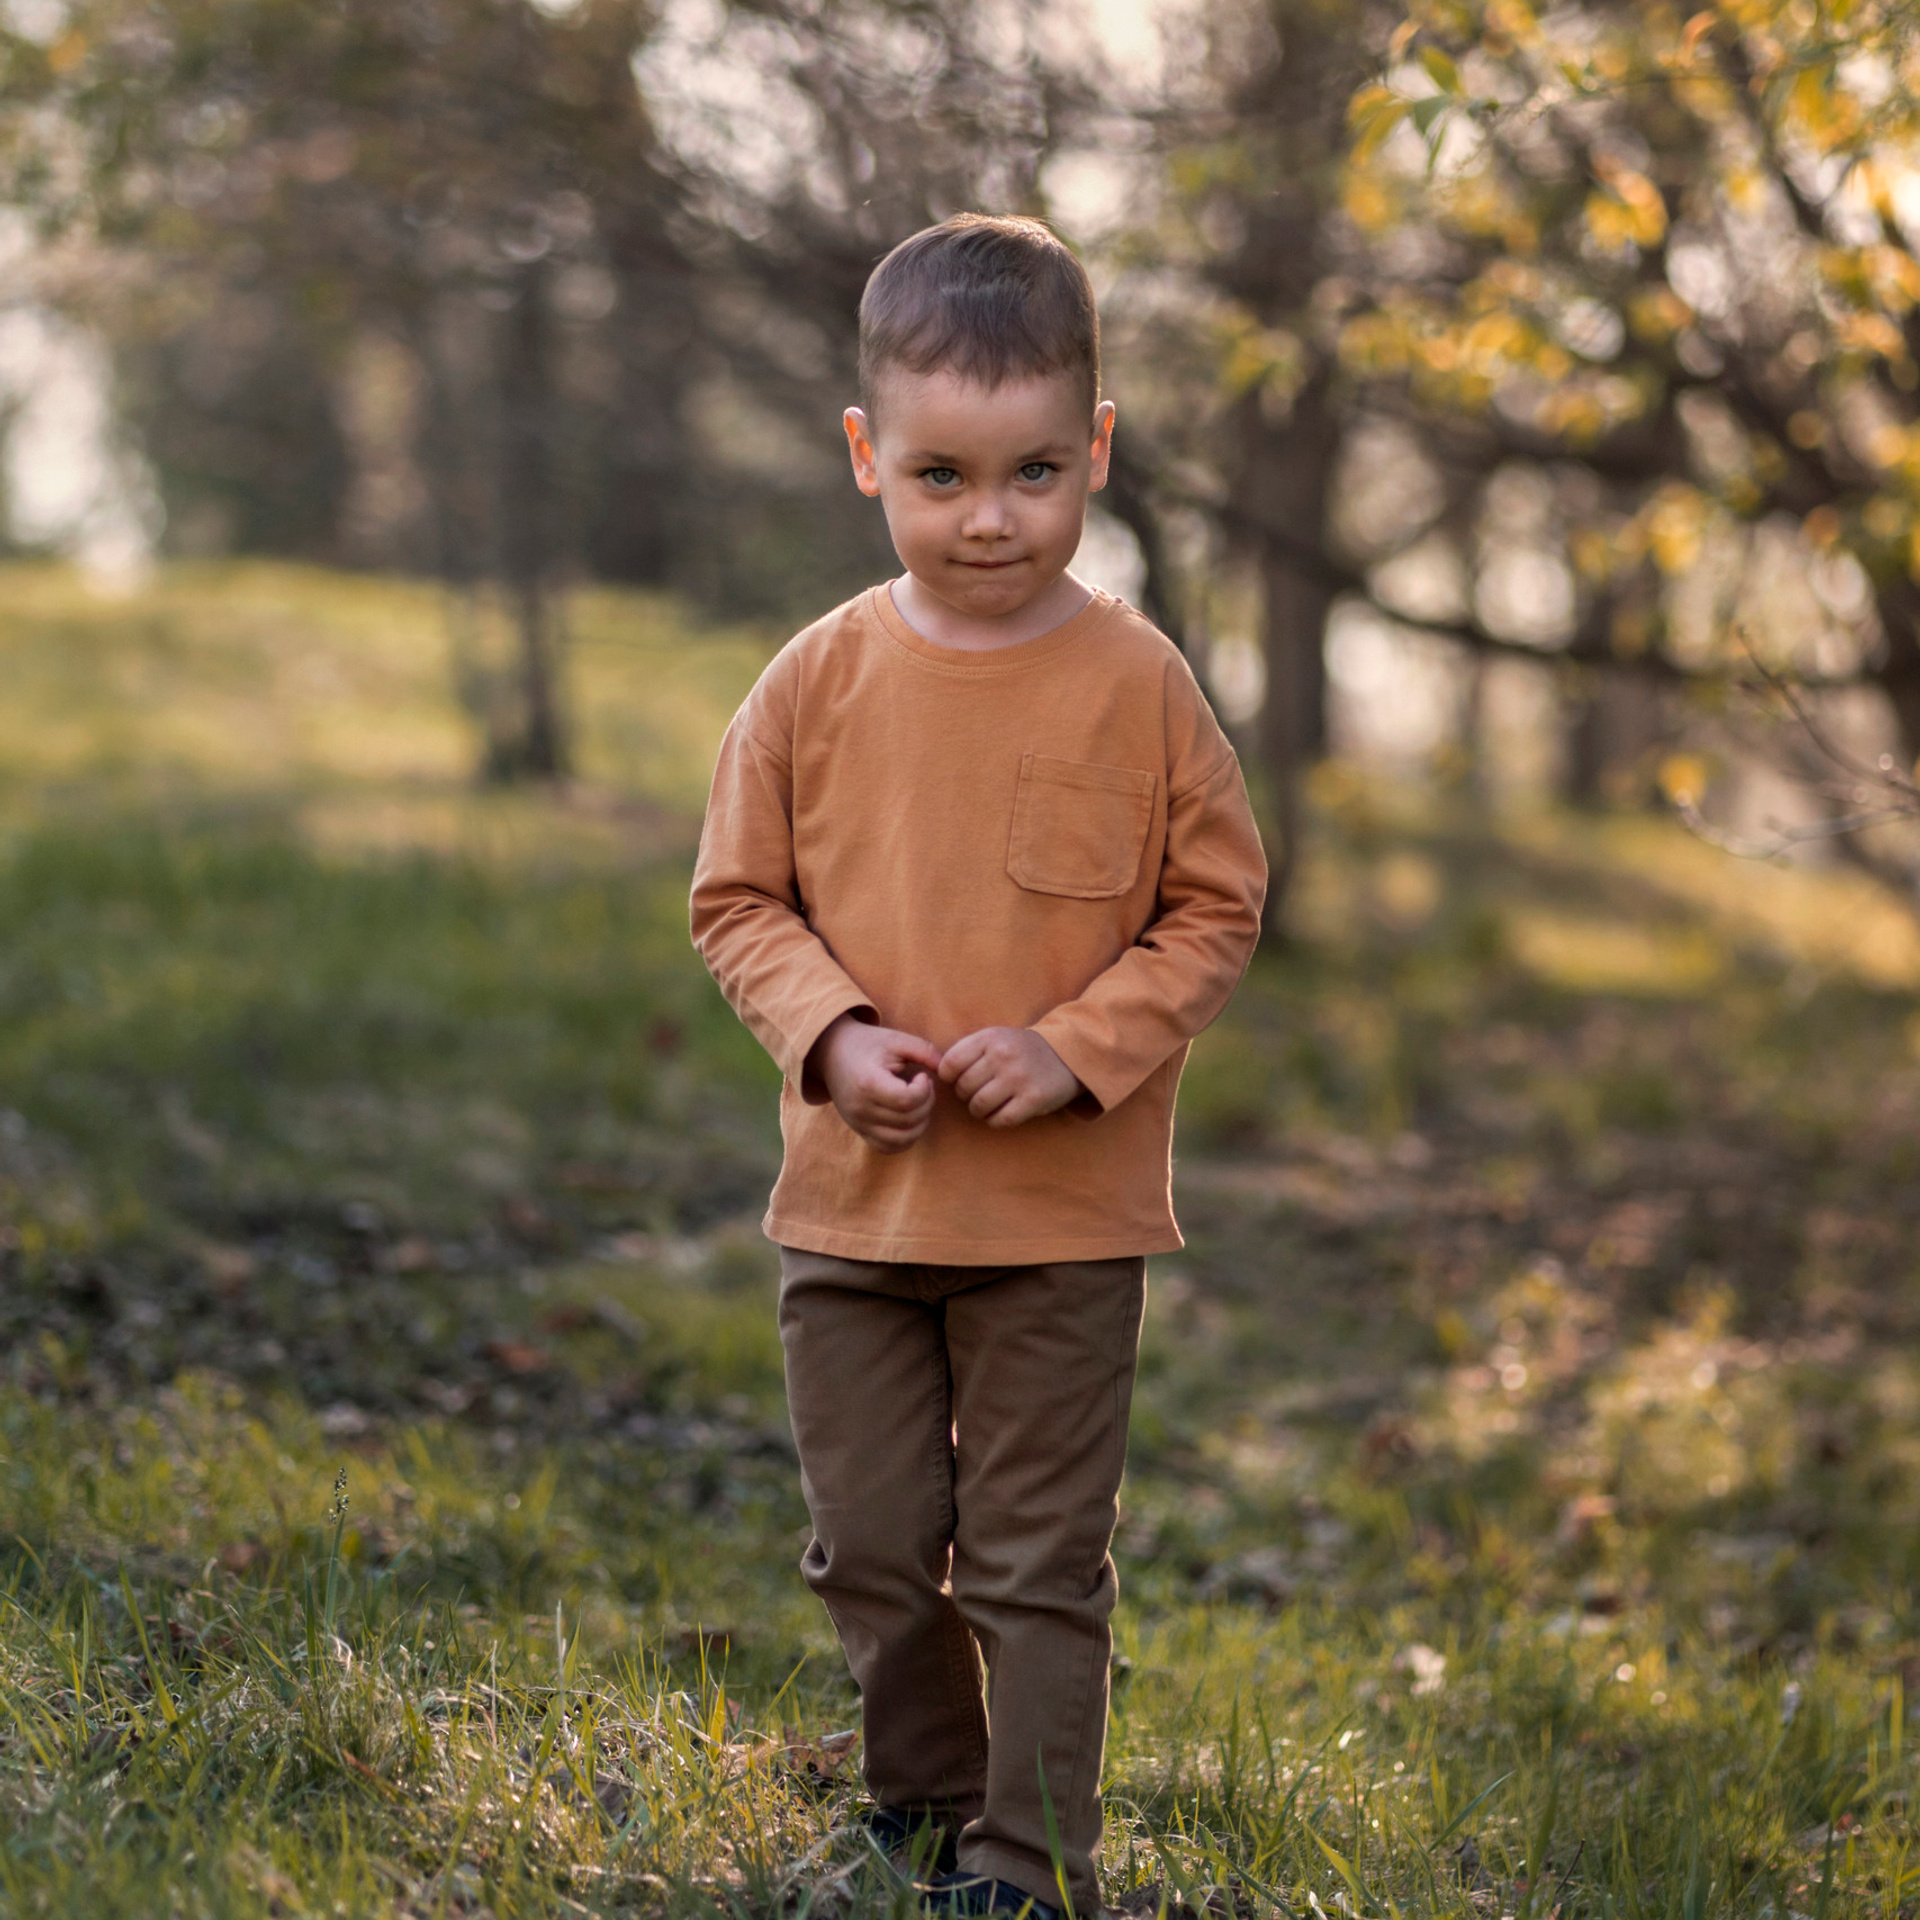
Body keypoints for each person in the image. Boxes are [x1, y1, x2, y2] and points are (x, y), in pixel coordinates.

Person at [689, 213, 1267, 1919]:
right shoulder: (814, 683)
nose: (990, 516)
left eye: (1032, 471)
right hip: (854, 1217)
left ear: (1095, 450)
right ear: (869, 456)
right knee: (871, 1546)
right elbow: (737, 901)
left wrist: (1082, 1050)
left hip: (1062, 1224)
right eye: (941, 474)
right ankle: (923, 1805)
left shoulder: (1141, 686)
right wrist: (830, 1031)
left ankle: (1029, 1866)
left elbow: (1216, 908)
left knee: (1032, 1564)